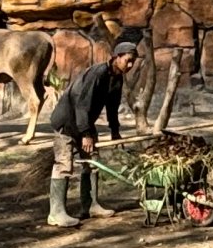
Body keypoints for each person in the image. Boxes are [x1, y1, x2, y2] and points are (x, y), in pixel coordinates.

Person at [44, 35, 142, 227]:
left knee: (93, 161)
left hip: (84, 123)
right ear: (116, 57)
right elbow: (81, 104)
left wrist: (115, 131)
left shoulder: (116, 78)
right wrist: (86, 134)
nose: (130, 65)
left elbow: (112, 107)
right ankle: (55, 213)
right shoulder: (98, 74)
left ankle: (90, 205)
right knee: (64, 164)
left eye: (133, 62)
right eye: (128, 61)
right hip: (67, 121)